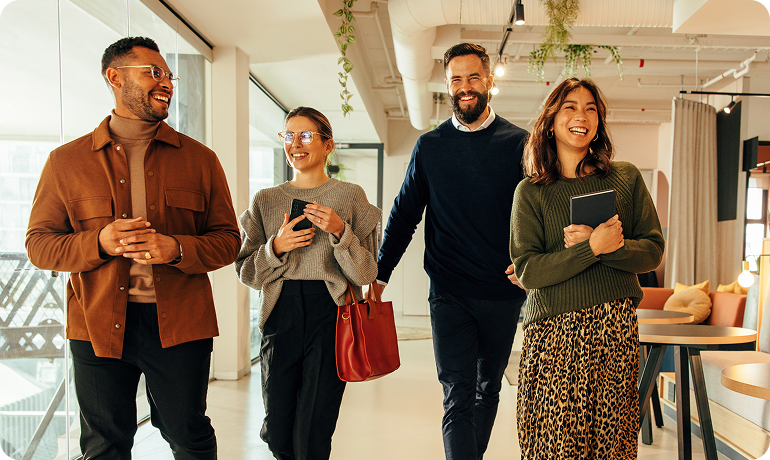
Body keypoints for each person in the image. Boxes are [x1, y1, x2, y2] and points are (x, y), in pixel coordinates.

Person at [25, 36, 241, 459]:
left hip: (181, 324)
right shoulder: (65, 162)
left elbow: (229, 241)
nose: (166, 83)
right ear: (115, 77)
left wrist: (175, 248)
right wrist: (99, 242)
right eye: (153, 72)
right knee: (105, 444)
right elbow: (39, 246)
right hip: (96, 324)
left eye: (168, 75)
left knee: (189, 435)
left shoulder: (201, 160)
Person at [370, 43, 528, 460]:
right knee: (457, 393)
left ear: (490, 82)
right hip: (450, 292)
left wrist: (530, 264)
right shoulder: (430, 147)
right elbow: (404, 216)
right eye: (456, 79)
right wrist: (380, 274)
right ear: (446, 85)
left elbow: (538, 213)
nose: (465, 87)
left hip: (503, 292)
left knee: (488, 386)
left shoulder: (520, 145)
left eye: (474, 77)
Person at [510, 77, 665, 459]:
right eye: (570, 107)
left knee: (612, 446)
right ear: (550, 120)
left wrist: (609, 248)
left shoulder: (625, 178)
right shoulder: (530, 192)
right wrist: (592, 248)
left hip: (614, 330)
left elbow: (653, 250)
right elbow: (528, 270)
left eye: (591, 108)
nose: (582, 116)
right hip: (552, 336)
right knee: (552, 447)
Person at [235, 107, 380, 460]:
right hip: (279, 311)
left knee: (315, 427)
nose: (295, 144)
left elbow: (365, 274)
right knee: (278, 431)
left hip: (331, 313)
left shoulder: (350, 196)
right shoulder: (266, 200)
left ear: (327, 146)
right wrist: (276, 248)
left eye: (305, 136)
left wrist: (339, 232)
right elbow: (247, 273)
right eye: (288, 136)